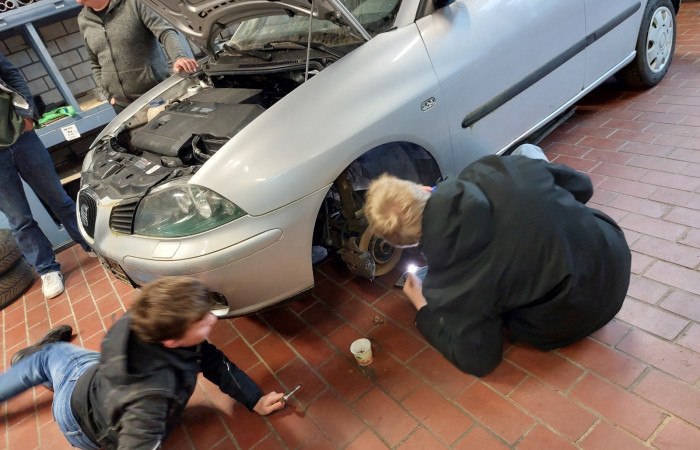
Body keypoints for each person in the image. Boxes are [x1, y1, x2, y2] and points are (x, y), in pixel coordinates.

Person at [363, 144, 631, 376]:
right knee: (527, 152)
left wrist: (422, 307)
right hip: (613, 256)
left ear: (408, 244)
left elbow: (480, 360)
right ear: (422, 188)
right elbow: (582, 187)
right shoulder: (488, 168)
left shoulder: (446, 282)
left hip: (573, 318)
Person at [0, 276, 286, 449]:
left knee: (53, 357)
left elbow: (214, 363)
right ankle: (40, 364)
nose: (212, 319)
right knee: (52, 356)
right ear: (171, 341)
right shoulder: (148, 402)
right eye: (201, 321)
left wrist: (254, 399)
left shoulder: (149, 320)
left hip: (96, 387)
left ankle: (38, 364)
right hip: (77, 418)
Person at [0, 52, 93, 299]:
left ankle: (89, 243)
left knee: (58, 198)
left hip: (21, 136)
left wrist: (28, 112)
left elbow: (10, 73)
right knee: (19, 219)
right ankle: (46, 269)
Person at [77, 0, 199, 113]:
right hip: (122, 107)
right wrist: (109, 96)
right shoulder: (83, 19)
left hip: (157, 97)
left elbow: (166, 32)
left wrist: (179, 57)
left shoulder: (135, 3)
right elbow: (95, 62)